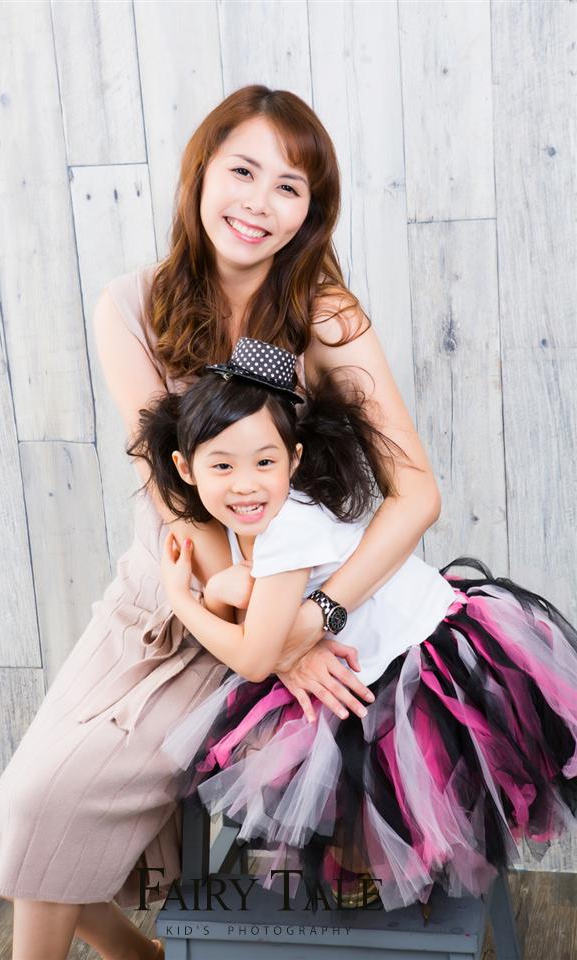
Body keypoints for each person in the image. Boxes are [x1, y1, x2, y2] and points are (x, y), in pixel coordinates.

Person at [0, 83, 436, 960]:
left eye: (289, 186)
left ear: (311, 211)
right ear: (201, 173)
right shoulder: (130, 305)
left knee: (45, 810)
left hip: (283, 600)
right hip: (168, 591)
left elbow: (417, 495)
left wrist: (304, 623)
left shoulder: (324, 313)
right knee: (23, 808)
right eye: (243, 171)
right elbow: (170, 492)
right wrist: (243, 624)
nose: (259, 202)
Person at [128, 335, 577, 916]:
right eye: (222, 465)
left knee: (388, 757)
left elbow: (255, 659)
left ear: (293, 460)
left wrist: (183, 598)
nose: (245, 483)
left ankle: (386, 861)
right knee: (301, 745)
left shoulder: (286, 528)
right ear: (185, 469)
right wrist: (218, 590)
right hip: (366, 650)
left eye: (264, 462)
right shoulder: (255, 518)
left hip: (417, 650)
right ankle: (361, 860)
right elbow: (256, 620)